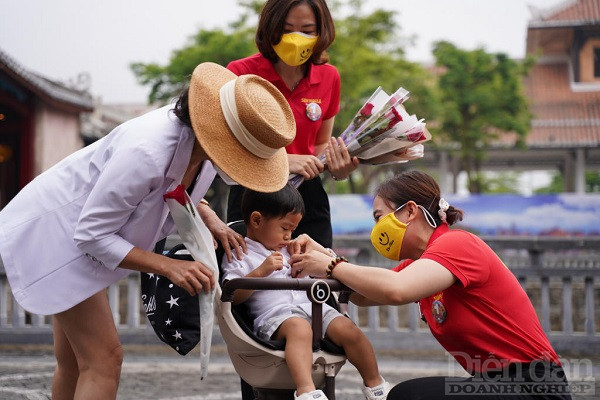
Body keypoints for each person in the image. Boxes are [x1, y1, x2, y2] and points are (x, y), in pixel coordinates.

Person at [0, 62, 296, 400]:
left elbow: (171, 188)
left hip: (79, 238)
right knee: (103, 360)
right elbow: (91, 234)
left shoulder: (199, 146)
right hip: (57, 237)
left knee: (74, 361)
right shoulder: (147, 151)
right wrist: (169, 266)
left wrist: (209, 215)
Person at [289, 171, 572, 400]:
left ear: (410, 211)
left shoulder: (457, 243)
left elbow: (395, 288)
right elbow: (364, 294)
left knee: (408, 396)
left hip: (533, 386)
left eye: (379, 218)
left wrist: (330, 265)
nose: (377, 230)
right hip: (494, 383)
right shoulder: (420, 264)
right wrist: (324, 254)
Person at [221, 184, 390, 400]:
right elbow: (232, 295)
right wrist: (260, 273)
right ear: (256, 220)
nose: (289, 235)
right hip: (276, 317)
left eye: (292, 229)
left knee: (348, 329)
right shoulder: (240, 253)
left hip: (314, 310)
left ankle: (375, 385)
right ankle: (306, 390)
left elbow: (327, 270)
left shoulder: (293, 249)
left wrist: (310, 261)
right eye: (284, 228)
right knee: (299, 329)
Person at [225, 0, 359, 248]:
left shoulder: (329, 77)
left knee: (313, 277)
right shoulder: (240, 73)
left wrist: (339, 168)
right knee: (253, 277)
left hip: (307, 196)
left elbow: (319, 144)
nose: (296, 39)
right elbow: (226, 146)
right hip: (253, 194)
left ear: (322, 33)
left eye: (307, 31)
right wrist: (284, 160)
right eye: (287, 29)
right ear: (271, 27)